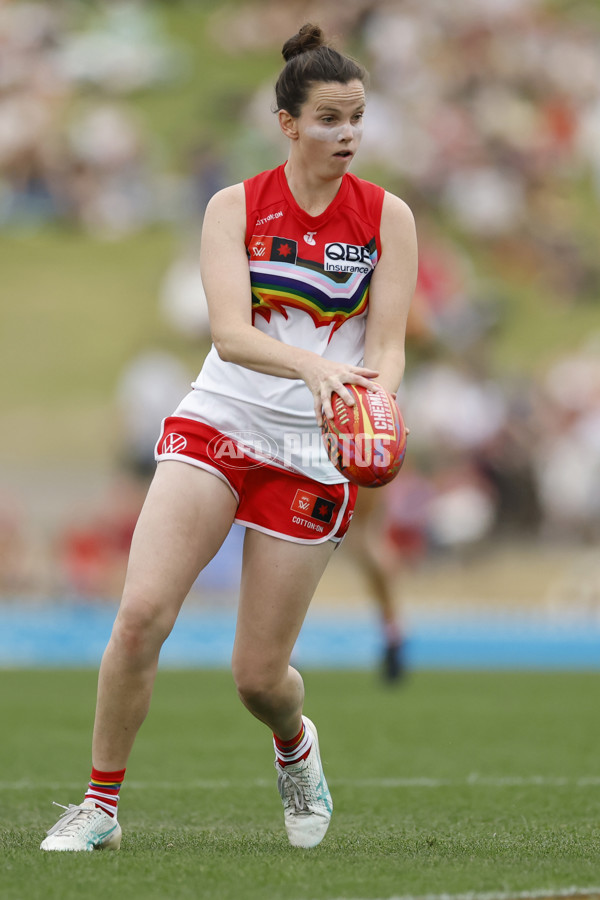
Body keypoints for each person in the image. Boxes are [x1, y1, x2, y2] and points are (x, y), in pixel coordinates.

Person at [40, 22, 417, 852]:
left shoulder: (388, 217)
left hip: (312, 450)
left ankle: (296, 745)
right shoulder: (234, 207)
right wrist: (315, 371)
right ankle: (99, 807)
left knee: (257, 679)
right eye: (328, 119)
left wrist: (373, 405)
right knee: (141, 614)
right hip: (224, 418)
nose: (347, 134)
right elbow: (232, 333)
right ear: (288, 123)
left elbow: (387, 349)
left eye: (356, 118)